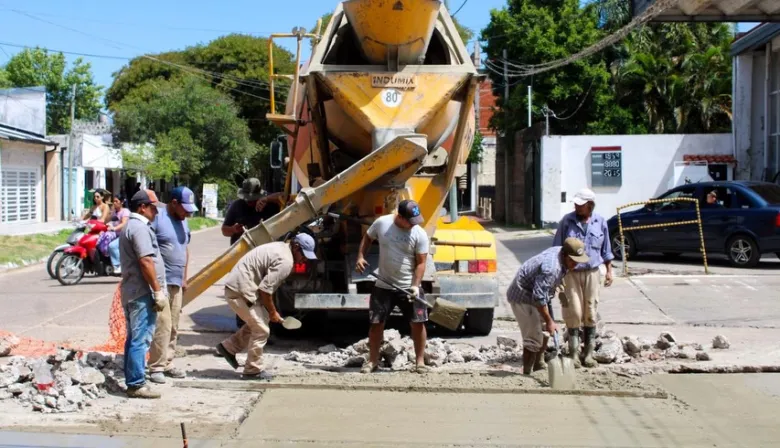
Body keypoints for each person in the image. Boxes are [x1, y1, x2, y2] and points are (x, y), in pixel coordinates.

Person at [215, 233, 318, 380]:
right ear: (296, 247)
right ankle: (252, 371)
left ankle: (228, 347)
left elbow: (266, 288)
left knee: (261, 320)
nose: (304, 260)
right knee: (261, 330)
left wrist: (270, 312)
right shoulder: (286, 261)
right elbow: (265, 290)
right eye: (304, 255)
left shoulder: (282, 247)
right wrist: (273, 312)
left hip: (242, 287)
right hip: (239, 291)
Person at [355, 200, 430, 374]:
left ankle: (420, 362)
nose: (414, 224)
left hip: (408, 287)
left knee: (418, 323)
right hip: (383, 285)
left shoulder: (419, 234)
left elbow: (421, 263)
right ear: (400, 217)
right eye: (410, 221)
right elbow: (368, 237)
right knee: (376, 323)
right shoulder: (382, 223)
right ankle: (373, 361)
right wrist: (360, 256)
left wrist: (415, 286)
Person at [552, 188, 614, 368]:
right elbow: (556, 249)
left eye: (581, 205)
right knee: (574, 312)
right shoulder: (566, 222)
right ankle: (573, 353)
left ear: (590, 205)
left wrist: (609, 271)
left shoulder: (600, 222)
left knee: (590, 312)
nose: (577, 207)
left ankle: (588, 353)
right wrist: (557, 273)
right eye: (576, 204)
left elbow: (606, 250)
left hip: (592, 272)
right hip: (571, 273)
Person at [507, 238, 588, 375]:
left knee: (545, 330)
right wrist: (550, 321)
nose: (575, 265)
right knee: (533, 337)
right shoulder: (551, 268)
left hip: (536, 293)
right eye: (572, 261)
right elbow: (538, 298)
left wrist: (548, 320)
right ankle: (526, 373)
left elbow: (543, 293)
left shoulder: (560, 252)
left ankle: (538, 364)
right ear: (564, 255)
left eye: (577, 261)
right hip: (522, 296)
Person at [118, 189, 167, 399]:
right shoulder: (139, 228)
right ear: (142, 207)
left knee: (134, 338)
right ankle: (136, 383)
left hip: (134, 291)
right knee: (141, 339)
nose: (156, 212)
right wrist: (157, 290)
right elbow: (146, 261)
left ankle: (133, 379)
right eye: (153, 208)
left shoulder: (133, 226)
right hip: (141, 292)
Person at [148, 186, 197, 384]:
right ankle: (156, 367)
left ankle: (167, 362)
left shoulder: (183, 221)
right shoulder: (157, 218)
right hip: (161, 282)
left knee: (174, 325)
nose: (188, 213)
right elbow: (146, 250)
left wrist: (184, 277)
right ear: (174, 203)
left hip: (177, 283)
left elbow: (185, 249)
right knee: (162, 325)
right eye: (185, 208)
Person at [221, 178, 286, 329]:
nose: (250, 203)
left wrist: (267, 199)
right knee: (242, 293)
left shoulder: (270, 204)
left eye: (253, 200)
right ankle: (243, 327)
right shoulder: (237, 206)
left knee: (263, 293)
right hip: (241, 258)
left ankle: (264, 325)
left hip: (263, 259)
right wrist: (233, 230)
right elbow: (224, 230)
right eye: (247, 200)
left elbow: (285, 196)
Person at [107, 194, 131, 274]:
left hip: (124, 235)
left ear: (121, 202)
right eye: (113, 201)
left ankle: (118, 265)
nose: (114, 203)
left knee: (112, 246)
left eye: (116, 201)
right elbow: (108, 221)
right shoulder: (114, 212)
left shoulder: (125, 212)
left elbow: (124, 223)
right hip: (115, 235)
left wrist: (114, 228)